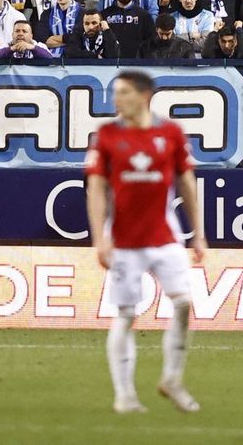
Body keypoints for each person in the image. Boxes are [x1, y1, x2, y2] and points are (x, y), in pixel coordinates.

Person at [85, 70, 206, 415]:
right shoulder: (106, 135)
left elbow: (187, 182)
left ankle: (172, 379)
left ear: (143, 95)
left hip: (165, 236)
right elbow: (96, 189)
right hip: (123, 240)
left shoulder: (169, 132)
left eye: (122, 92)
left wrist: (198, 233)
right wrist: (100, 238)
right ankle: (124, 395)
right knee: (125, 315)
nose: (115, 99)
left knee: (183, 303)